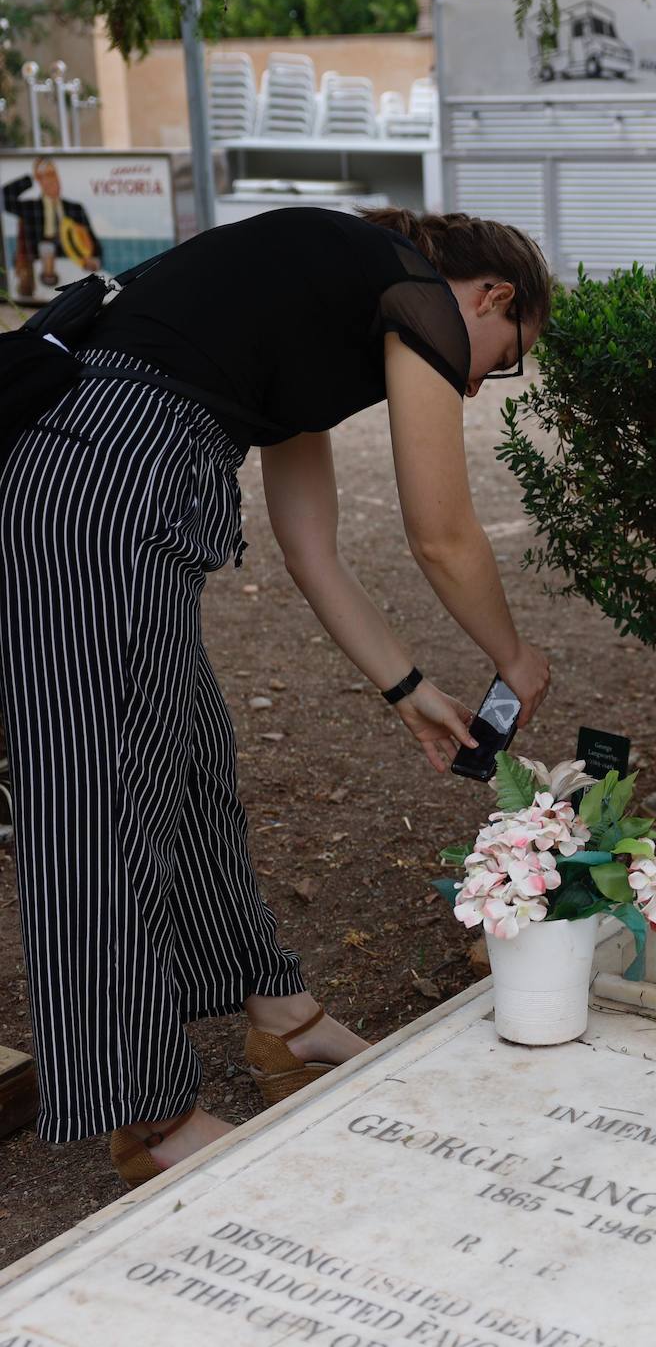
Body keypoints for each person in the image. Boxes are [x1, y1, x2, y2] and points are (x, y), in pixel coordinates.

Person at [0, 205, 553, 1187]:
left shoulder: (321, 310)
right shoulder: (409, 293)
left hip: (106, 481)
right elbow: (442, 531)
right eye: (499, 358)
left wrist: (410, 691)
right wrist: (514, 656)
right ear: (489, 296)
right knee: (105, 795)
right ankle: (150, 1118)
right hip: (102, 487)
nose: (476, 383)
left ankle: (282, 1019)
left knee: (194, 760)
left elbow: (313, 554)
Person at [3, 156, 102, 296]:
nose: (53, 180)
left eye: (54, 174)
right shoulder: (30, 208)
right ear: (39, 179)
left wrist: (94, 259)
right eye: (47, 176)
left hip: (72, 268)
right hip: (38, 270)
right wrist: (30, 178)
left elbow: (94, 243)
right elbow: (3, 197)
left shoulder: (75, 208)